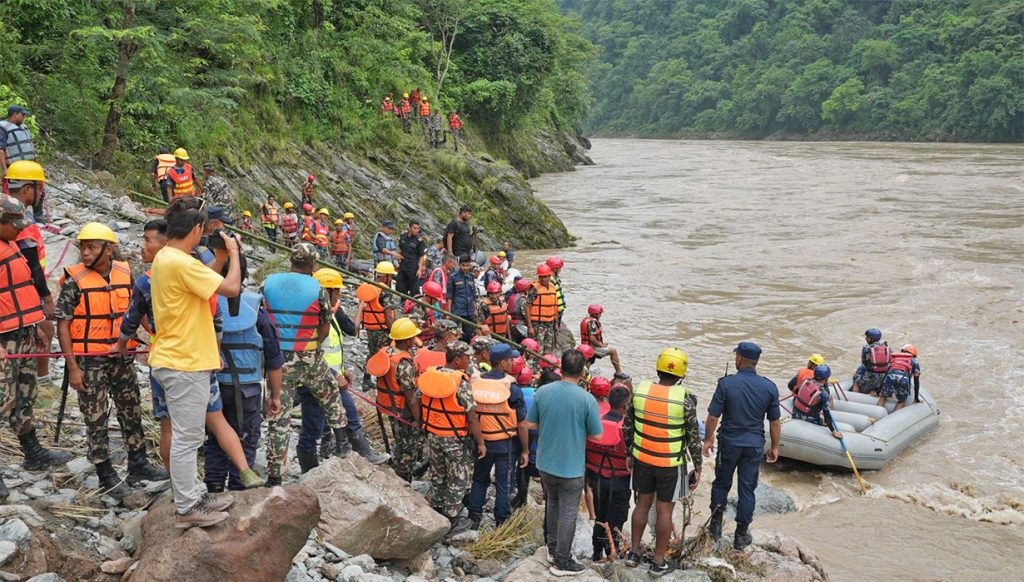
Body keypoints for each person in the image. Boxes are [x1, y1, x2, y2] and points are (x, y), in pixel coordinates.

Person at [116, 219, 261, 490]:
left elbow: (131, 319)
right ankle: (244, 470)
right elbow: (215, 307)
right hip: (200, 359)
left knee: (171, 428)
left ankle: (179, 488)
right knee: (214, 420)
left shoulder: (149, 280)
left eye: (147, 240)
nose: (141, 246)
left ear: (166, 243)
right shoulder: (187, 270)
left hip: (171, 359)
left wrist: (121, 345)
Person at [54, 222, 168, 499]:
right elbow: (63, 325)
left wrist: (155, 332)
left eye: (92, 247)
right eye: (82, 246)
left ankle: (138, 462)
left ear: (109, 249)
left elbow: (136, 309)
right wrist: (73, 367)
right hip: (89, 362)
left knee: (131, 409)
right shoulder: (74, 282)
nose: (85, 252)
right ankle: (106, 474)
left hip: (121, 357)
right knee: (96, 417)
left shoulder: (124, 274)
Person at [148, 196, 240, 528]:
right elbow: (230, 287)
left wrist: (217, 258)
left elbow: (203, 284)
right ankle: (187, 508)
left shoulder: (169, 258)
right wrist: (235, 255)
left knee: (190, 435)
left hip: (181, 358)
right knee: (188, 438)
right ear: (197, 229)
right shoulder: (180, 262)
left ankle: (194, 494)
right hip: (183, 361)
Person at [261, 243, 350, 486]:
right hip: (308, 354)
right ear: (313, 265)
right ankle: (342, 443)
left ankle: (274, 476)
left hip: (277, 360)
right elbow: (324, 325)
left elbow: (262, 317)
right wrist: (313, 343)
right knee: (331, 395)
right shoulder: (317, 288)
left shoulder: (268, 282)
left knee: (278, 416)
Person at [0, 195, 70, 500]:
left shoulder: (13, 243)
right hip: (3, 339)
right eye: (13, 224)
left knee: (25, 394)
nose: (19, 229)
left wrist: (39, 324)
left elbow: (27, 285)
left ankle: (33, 453)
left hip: (23, 332)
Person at [298, 269, 389, 471]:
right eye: (337, 291)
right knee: (312, 426)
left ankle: (362, 453)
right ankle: (310, 468)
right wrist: (335, 374)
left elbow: (334, 347)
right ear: (327, 291)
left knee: (346, 415)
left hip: (330, 377)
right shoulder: (311, 317)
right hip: (316, 379)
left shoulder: (330, 314)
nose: (339, 295)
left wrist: (343, 369)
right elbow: (309, 353)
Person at [621, 348, 700, 576]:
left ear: (658, 368)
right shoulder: (685, 400)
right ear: (681, 374)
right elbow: (693, 437)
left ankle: (633, 554)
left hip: (643, 458)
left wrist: (629, 453)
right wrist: (698, 465)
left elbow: (628, 426)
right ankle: (658, 561)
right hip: (670, 463)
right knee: (664, 512)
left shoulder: (640, 393)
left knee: (642, 505)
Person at [526, 349, 603, 576]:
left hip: (545, 462)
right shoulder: (586, 399)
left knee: (553, 504)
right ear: (582, 371)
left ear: (561, 368)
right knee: (568, 512)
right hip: (570, 466)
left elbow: (530, 424)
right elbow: (597, 435)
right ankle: (562, 561)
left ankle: (551, 549)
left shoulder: (543, 392)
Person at [703, 341, 781, 551]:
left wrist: (708, 440)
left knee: (721, 484)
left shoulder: (726, 384)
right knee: (747, 490)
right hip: (754, 446)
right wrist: (775, 447)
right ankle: (741, 535)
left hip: (729, 443)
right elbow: (775, 421)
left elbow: (713, 416)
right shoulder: (770, 387)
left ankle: (715, 528)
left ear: (739, 359)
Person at [204, 285, 282, 491]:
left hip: (213, 384)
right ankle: (240, 489)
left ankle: (214, 487)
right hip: (248, 389)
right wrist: (275, 396)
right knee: (246, 437)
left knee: (214, 437)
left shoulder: (205, 302)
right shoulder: (257, 310)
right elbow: (274, 360)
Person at [415, 341, 485, 536]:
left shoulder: (430, 376)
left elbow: (416, 400)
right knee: (458, 478)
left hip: (433, 434)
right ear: (457, 360)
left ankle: (435, 507)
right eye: (467, 357)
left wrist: (423, 425)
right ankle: (451, 519)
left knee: (438, 474)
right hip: (454, 439)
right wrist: (480, 442)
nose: (469, 360)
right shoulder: (460, 383)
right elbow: (471, 416)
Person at [467, 343, 529, 529]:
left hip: (482, 442)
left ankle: (474, 516)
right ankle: (501, 521)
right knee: (503, 483)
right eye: (510, 359)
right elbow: (522, 423)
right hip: (506, 445)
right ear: (502, 363)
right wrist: (525, 450)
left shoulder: (475, 382)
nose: (513, 362)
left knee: (479, 479)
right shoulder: (512, 388)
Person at [5, 161, 53, 382]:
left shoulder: (7, 211)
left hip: (18, 287)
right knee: (44, 329)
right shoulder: (17, 219)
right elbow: (32, 263)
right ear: (27, 189)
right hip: (23, 288)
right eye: (39, 188)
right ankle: (41, 377)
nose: (41, 193)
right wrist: (46, 296)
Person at [370, 318, 423, 481]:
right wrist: (419, 420)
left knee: (400, 442)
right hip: (403, 412)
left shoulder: (386, 353)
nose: (415, 340)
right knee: (408, 449)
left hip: (389, 408)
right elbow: (411, 398)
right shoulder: (403, 364)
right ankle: (404, 480)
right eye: (413, 337)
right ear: (407, 341)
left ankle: (400, 468)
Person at [586, 385, 632, 562]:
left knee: (600, 516)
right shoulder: (626, 429)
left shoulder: (595, 424)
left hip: (596, 479)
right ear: (626, 405)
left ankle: (597, 553)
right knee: (616, 519)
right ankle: (612, 552)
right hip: (619, 481)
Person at [356, 261, 398, 389]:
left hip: (370, 328)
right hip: (382, 329)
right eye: (391, 276)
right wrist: (395, 333)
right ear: (387, 276)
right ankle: (384, 382)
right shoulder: (385, 291)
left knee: (372, 353)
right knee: (384, 355)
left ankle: (366, 379)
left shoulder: (368, 287)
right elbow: (388, 316)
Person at [792, 365, 844, 440]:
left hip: (795, 412)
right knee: (823, 421)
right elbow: (827, 414)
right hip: (807, 418)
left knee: (820, 417)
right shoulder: (823, 394)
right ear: (826, 378)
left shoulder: (806, 381)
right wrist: (833, 431)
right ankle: (819, 422)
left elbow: (796, 391)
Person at [525, 264, 559, 355]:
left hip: (550, 323)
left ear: (549, 276)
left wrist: (556, 324)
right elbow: (527, 307)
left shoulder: (552, 287)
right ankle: (535, 367)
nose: (543, 279)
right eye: (541, 277)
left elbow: (555, 307)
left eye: (545, 277)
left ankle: (546, 367)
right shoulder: (534, 289)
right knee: (537, 348)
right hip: (538, 324)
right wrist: (530, 327)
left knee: (548, 348)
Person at [579, 304, 622, 374]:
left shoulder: (586, 320)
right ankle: (619, 372)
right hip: (592, 348)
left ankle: (585, 375)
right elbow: (592, 338)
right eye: (600, 314)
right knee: (613, 351)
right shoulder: (592, 322)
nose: (600, 315)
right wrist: (601, 345)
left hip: (585, 348)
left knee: (589, 361)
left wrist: (601, 344)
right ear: (596, 314)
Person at [879, 344, 921, 410]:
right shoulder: (914, 361)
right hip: (903, 379)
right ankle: (893, 418)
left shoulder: (895, 357)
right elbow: (916, 381)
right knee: (901, 401)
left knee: (883, 397)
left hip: (890, 376)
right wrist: (916, 398)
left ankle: (878, 413)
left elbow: (886, 372)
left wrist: (879, 389)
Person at [447, 254, 478, 343]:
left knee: (468, 334)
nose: (465, 268)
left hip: (469, 310)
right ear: (459, 264)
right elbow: (449, 296)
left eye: (467, 265)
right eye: (463, 265)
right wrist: (449, 313)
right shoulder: (453, 277)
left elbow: (473, 295)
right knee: (453, 333)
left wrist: (475, 309)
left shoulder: (470, 277)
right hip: (457, 310)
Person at [852, 328, 889, 394]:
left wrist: (857, 375)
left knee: (856, 382)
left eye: (867, 337)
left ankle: (854, 396)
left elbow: (864, 364)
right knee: (875, 386)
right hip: (883, 377)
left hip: (870, 375)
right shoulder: (886, 348)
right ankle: (874, 391)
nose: (865, 339)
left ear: (872, 339)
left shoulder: (867, 348)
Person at [396, 221, 425, 295]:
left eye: (418, 229)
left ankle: (413, 305)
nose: (417, 230)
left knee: (414, 290)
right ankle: (402, 304)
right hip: (402, 267)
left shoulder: (419, 241)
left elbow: (422, 256)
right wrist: (398, 258)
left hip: (413, 269)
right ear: (409, 228)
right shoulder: (403, 236)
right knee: (400, 287)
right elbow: (399, 247)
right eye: (415, 228)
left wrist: (419, 269)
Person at [546, 256, 567, 325]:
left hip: (557, 310)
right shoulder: (550, 280)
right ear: (554, 269)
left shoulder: (553, 278)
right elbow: (551, 298)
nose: (560, 270)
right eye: (559, 268)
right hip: (555, 311)